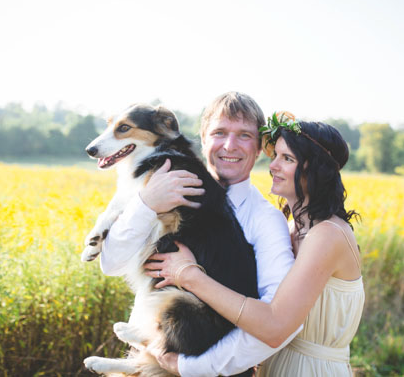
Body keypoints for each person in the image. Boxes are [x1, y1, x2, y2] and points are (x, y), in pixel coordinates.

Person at [145, 112, 365, 376]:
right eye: (275, 156)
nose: (273, 166)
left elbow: (274, 324)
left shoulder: (327, 234)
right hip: (274, 366)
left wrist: (188, 274)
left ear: (316, 169)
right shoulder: (293, 228)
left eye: (287, 159)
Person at [98, 93, 300, 376]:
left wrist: (189, 366)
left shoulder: (266, 221)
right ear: (203, 138)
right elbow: (111, 264)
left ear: (259, 148)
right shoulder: (161, 185)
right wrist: (147, 204)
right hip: (143, 360)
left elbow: (274, 321)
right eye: (219, 132)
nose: (229, 145)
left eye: (244, 135)